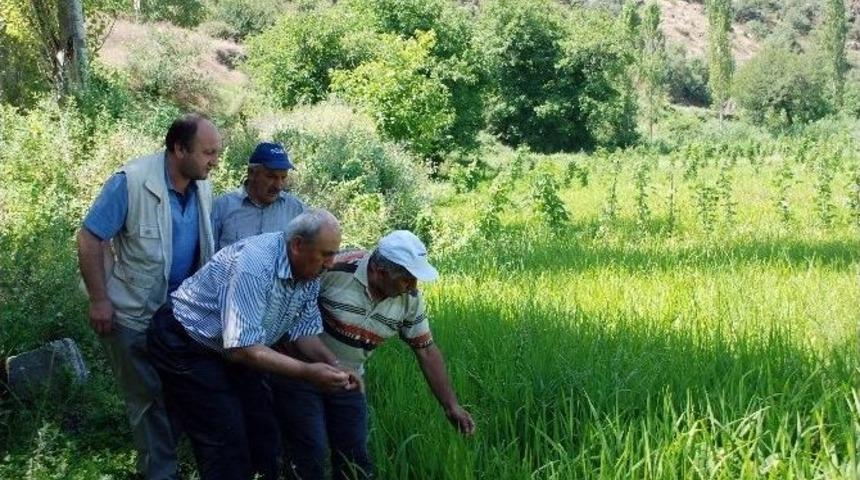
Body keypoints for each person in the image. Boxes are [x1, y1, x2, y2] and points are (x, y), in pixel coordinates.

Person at [147, 209, 356, 480]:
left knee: (264, 431)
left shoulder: (308, 272)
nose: (330, 263)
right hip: (186, 341)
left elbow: (301, 333)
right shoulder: (255, 264)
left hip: (233, 348)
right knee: (226, 440)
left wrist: (335, 365)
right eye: (326, 254)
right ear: (297, 245)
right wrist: (308, 372)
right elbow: (242, 349)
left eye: (334, 254)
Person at [77, 114, 222, 480]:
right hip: (134, 315)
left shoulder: (202, 185)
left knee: (178, 392)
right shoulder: (131, 181)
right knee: (147, 398)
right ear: (179, 149)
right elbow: (90, 238)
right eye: (208, 153)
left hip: (181, 317)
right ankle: (160, 473)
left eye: (216, 153)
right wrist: (99, 299)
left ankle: (163, 460)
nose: (215, 161)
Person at [274, 230, 476, 480]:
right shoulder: (334, 270)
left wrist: (451, 406)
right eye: (407, 279)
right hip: (301, 373)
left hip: (349, 380)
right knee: (308, 452)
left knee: (354, 458)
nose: (413, 287)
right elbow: (291, 317)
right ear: (380, 272)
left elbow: (425, 350)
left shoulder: (410, 299)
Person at [211, 141, 305, 251]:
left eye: (283, 177)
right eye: (271, 177)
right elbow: (207, 252)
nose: (278, 186)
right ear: (251, 173)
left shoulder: (295, 209)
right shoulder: (222, 208)